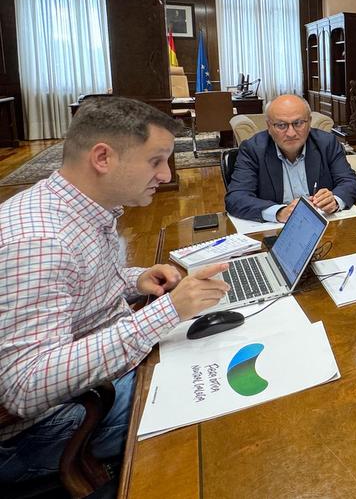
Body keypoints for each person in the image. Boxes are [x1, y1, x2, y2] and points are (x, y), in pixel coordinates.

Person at [0, 96, 230, 484]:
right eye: (156, 161)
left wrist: (134, 280)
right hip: (58, 423)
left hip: (92, 386)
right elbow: (24, 385)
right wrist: (167, 312)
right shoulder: (39, 242)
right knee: (218, 401)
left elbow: (75, 287)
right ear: (103, 158)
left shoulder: (76, 208)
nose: (166, 175)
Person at [226, 94, 356, 223]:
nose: (291, 133)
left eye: (298, 123)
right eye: (281, 125)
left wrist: (335, 200)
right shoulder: (253, 149)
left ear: (309, 122)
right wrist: (279, 212)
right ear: (269, 126)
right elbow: (236, 198)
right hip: (275, 230)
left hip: (325, 227)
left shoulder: (327, 143)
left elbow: (349, 182)